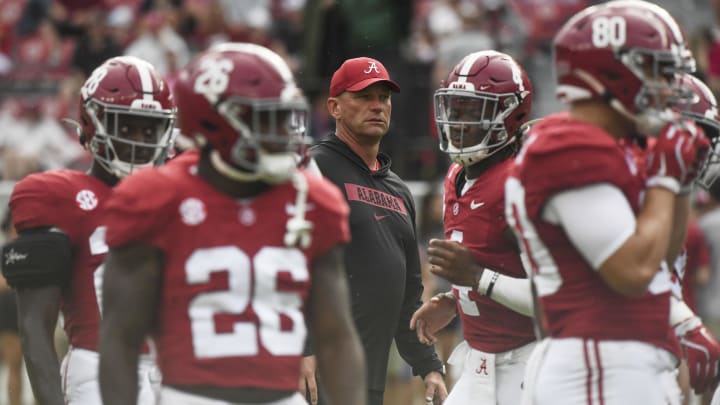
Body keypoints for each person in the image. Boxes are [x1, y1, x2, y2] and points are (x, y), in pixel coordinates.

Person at [97, 42, 367, 405]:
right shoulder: (157, 198)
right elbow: (120, 339)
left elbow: (336, 338)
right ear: (213, 120)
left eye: (282, 117)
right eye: (264, 118)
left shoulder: (313, 201)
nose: (280, 134)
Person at [502, 1, 711, 404]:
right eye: (656, 71)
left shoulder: (616, 148)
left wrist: (679, 180)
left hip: (619, 358)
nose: (667, 88)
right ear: (613, 71)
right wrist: (666, 177)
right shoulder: (568, 146)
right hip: (595, 361)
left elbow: (661, 259)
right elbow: (631, 271)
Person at [0, 55, 176, 405]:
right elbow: (35, 330)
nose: (140, 139)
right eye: (126, 126)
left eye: (149, 128)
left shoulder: (180, 194)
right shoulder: (58, 196)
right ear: (92, 123)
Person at [306, 56, 447, 405]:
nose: (377, 106)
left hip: (367, 383)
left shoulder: (398, 191)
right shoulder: (314, 168)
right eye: (363, 96)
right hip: (316, 374)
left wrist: (428, 366)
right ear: (334, 107)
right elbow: (288, 266)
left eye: (383, 98)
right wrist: (301, 348)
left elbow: (408, 295)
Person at [410, 50, 537, 405]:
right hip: (479, 361)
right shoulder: (457, 175)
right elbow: (499, 262)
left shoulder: (523, 183)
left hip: (530, 363)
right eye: (455, 108)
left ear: (511, 114)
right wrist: (455, 300)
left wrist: (477, 279)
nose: (458, 122)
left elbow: (558, 298)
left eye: (473, 111)